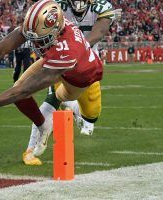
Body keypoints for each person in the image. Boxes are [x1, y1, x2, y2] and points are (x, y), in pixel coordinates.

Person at [0, 0, 103, 160]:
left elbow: (25, 90)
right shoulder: (39, 26)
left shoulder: (67, 49)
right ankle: (43, 125)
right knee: (18, 86)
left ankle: (71, 108)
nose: (36, 44)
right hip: (56, 59)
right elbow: (4, 46)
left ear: (57, 30)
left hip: (81, 75)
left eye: (41, 39)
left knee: (57, 96)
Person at [22, 0, 122, 165]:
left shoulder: (101, 7)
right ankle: (30, 150)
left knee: (91, 116)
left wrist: (77, 49)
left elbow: (99, 31)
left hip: (85, 65)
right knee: (51, 100)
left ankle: (72, 107)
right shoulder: (58, 6)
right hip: (59, 60)